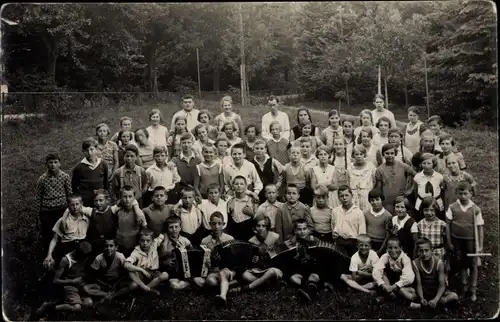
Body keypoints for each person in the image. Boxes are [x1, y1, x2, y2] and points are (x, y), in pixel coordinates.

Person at [445, 181, 484, 301]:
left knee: (473, 265)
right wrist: (449, 241)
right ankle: (464, 288)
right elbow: (448, 225)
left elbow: (480, 228)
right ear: (457, 193)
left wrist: (480, 245)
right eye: (460, 193)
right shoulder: (452, 207)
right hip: (457, 240)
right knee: (461, 263)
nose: (463, 196)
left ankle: (472, 290)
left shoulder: (475, 209)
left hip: (471, 241)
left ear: (471, 194)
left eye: (465, 193)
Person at [36, 241, 94, 316]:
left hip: (80, 284)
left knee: (89, 303)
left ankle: (62, 301)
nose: (85, 258)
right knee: (77, 308)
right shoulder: (66, 260)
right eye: (83, 256)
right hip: (69, 285)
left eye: (86, 256)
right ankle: (50, 307)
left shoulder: (86, 256)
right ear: (78, 253)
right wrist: (72, 281)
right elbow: (55, 280)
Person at [230, 215, 283, 294]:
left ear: (267, 227)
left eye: (263, 226)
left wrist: (270, 252)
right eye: (258, 226)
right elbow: (251, 263)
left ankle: (249, 287)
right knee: (245, 275)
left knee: (272, 272)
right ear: (254, 228)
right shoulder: (252, 241)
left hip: (273, 269)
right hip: (259, 271)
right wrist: (254, 260)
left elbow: (281, 257)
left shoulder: (275, 237)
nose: (261, 228)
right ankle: (268, 285)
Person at [43, 195, 93, 271]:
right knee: (51, 266)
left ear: (81, 204)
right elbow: (55, 239)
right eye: (72, 205)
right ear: (68, 206)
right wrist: (49, 254)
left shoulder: (86, 219)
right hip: (67, 246)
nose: (75, 207)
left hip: (82, 247)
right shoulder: (63, 220)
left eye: (77, 204)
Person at [36, 152, 72, 251]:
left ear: (60, 163)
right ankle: (49, 254)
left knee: (64, 230)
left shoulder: (65, 177)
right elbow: (38, 197)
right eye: (50, 162)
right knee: (48, 233)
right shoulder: (42, 179)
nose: (53, 165)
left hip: (62, 209)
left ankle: (63, 251)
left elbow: (69, 194)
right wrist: (37, 214)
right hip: (47, 210)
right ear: (46, 164)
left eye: (55, 162)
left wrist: (70, 209)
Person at [198, 212, 236, 305]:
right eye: (214, 224)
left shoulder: (230, 239)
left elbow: (234, 258)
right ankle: (230, 284)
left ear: (223, 224)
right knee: (209, 281)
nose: (216, 227)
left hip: (227, 269)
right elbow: (203, 259)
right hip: (213, 270)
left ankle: (222, 296)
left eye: (219, 223)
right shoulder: (205, 241)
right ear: (210, 224)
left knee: (223, 273)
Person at [410, 238, 458, 309]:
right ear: (418, 252)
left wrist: (436, 299)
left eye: (426, 250)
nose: (424, 254)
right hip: (425, 291)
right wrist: (422, 298)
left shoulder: (439, 263)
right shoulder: (415, 263)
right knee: (403, 291)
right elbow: (419, 283)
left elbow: (442, 285)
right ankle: (427, 304)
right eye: (421, 251)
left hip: (437, 291)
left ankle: (425, 305)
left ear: (431, 251)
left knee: (454, 296)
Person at [83, 238, 132, 303]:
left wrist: (116, 283)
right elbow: (93, 275)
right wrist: (104, 284)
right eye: (106, 246)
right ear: (103, 247)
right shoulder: (99, 258)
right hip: (103, 283)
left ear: (116, 247)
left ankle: (112, 295)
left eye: (111, 246)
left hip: (116, 282)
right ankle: (106, 294)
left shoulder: (120, 257)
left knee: (130, 285)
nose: (108, 248)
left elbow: (125, 271)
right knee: (85, 289)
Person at [285, 218, 321, 303]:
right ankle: (307, 291)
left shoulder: (315, 240)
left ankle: (309, 293)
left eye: (304, 229)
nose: (302, 232)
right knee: (294, 278)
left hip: (312, 267)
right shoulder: (291, 243)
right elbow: (288, 260)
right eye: (299, 229)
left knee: (314, 277)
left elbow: (320, 256)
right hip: (299, 268)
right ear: (295, 231)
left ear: (308, 230)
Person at [124, 228, 169, 296]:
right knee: (131, 274)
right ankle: (146, 288)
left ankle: (145, 289)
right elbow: (126, 265)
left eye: (148, 241)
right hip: (142, 275)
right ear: (139, 241)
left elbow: (164, 234)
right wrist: (142, 270)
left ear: (152, 241)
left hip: (154, 273)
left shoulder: (154, 244)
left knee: (165, 275)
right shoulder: (137, 251)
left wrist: (165, 244)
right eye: (142, 241)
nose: (145, 243)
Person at [372, 236, 416, 303]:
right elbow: (376, 271)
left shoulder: (405, 258)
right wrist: (384, 285)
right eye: (390, 248)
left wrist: (393, 287)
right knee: (383, 275)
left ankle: (390, 297)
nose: (393, 250)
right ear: (386, 248)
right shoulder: (385, 256)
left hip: (403, 285)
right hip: (390, 283)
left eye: (396, 248)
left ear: (400, 248)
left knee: (404, 292)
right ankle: (391, 295)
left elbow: (409, 277)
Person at [374, 143, 416, 215]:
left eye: (392, 153)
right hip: (387, 202)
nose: (390, 155)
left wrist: (410, 190)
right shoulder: (379, 170)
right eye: (387, 153)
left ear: (395, 154)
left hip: (401, 201)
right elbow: (378, 188)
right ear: (383, 154)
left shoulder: (403, 166)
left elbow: (417, 177)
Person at [159, 216, 194, 291]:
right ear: (167, 229)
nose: (174, 229)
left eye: (176, 227)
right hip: (172, 270)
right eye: (171, 227)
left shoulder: (185, 241)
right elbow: (161, 256)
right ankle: (185, 284)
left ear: (180, 228)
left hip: (184, 269)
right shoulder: (164, 241)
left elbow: (192, 254)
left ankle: (187, 283)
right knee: (174, 285)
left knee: (179, 284)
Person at [72, 137, 109, 207]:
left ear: (96, 149)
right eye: (86, 150)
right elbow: (74, 187)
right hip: (85, 201)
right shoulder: (79, 168)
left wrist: (104, 197)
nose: (89, 153)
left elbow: (106, 184)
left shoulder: (103, 164)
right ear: (83, 151)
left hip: (99, 201)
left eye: (92, 149)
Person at [331, 185, 366, 256]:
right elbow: (333, 226)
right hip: (339, 242)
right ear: (338, 198)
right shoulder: (335, 211)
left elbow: (362, 233)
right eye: (341, 196)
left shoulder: (358, 212)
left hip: (353, 243)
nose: (344, 198)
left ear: (352, 196)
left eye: (347, 195)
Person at [114, 186, 148, 256]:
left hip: (134, 246)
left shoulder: (139, 213)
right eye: (124, 196)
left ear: (134, 198)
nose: (127, 199)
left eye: (130, 196)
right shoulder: (118, 211)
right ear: (121, 197)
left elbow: (144, 229)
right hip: (120, 245)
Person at [411, 153, 444, 221]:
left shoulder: (439, 177)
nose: (426, 166)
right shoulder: (417, 177)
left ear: (433, 164)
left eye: (429, 163)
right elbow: (415, 192)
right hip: (421, 204)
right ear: (421, 164)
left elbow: (442, 191)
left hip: (436, 204)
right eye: (424, 163)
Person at [170, 133, 202, 202]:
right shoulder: (175, 160)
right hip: (182, 193)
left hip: (196, 192)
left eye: (189, 142)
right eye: (184, 143)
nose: (186, 145)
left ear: (192, 144)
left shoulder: (198, 160)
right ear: (180, 145)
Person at [250, 139, 284, 204]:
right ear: (253, 149)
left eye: (261, 148)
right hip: (258, 194)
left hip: (271, 194)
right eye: (257, 148)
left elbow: (283, 171)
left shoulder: (272, 161)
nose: (259, 150)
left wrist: (277, 185)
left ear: (265, 150)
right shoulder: (251, 163)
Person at [226, 176, 258, 241]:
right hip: (235, 236)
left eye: (241, 184)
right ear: (233, 186)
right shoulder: (230, 202)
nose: (239, 186)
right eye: (236, 184)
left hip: (250, 235)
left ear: (246, 186)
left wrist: (252, 214)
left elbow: (259, 221)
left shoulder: (252, 201)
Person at [86, 190, 117, 258]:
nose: (98, 203)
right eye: (96, 201)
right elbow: (77, 207)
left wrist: (137, 210)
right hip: (96, 244)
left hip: (110, 244)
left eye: (101, 200)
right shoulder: (91, 211)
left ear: (107, 200)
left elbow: (128, 202)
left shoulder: (112, 209)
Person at [417, 197, 447, 261]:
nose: (429, 213)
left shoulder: (442, 224)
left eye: (432, 210)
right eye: (426, 210)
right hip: (424, 254)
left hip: (439, 254)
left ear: (436, 210)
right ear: (422, 210)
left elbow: (446, 243)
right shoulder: (419, 224)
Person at [348, 145, 376, 212]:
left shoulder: (371, 167)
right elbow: (347, 182)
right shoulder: (349, 168)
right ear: (353, 155)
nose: (359, 156)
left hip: (367, 196)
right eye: (356, 154)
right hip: (354, 196)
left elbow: (375, 182)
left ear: (364, 155)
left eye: (361, 154)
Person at [364, 189, 392, 255]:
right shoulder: (366, 214)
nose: (375, 202)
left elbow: (388, 235)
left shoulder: (388, 215)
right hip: (368, 243)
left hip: (381, 244)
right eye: (372, 200)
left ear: (381, 199)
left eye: (377, 199)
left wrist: (380, 250)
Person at [330, 137, 351, 209]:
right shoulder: (331, 159)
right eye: (336, 144)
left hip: (346, 188)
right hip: (335, 190)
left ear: (345, 145)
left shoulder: (349, 158)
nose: (338, 146)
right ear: (333, 145)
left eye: (340, 144)